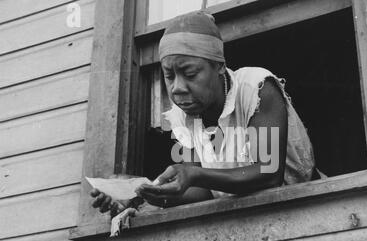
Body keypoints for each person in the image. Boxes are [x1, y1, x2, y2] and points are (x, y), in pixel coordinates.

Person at [91, 11, 315, 215]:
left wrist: (194, 175)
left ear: (219, 65)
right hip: (243, 222)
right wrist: (140, 193)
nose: (177, 87)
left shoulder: (255, 88)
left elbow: (268, 175)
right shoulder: (182, 117)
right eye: (169, 76)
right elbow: (202, 192)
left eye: (189, 73)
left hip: (302, 211)